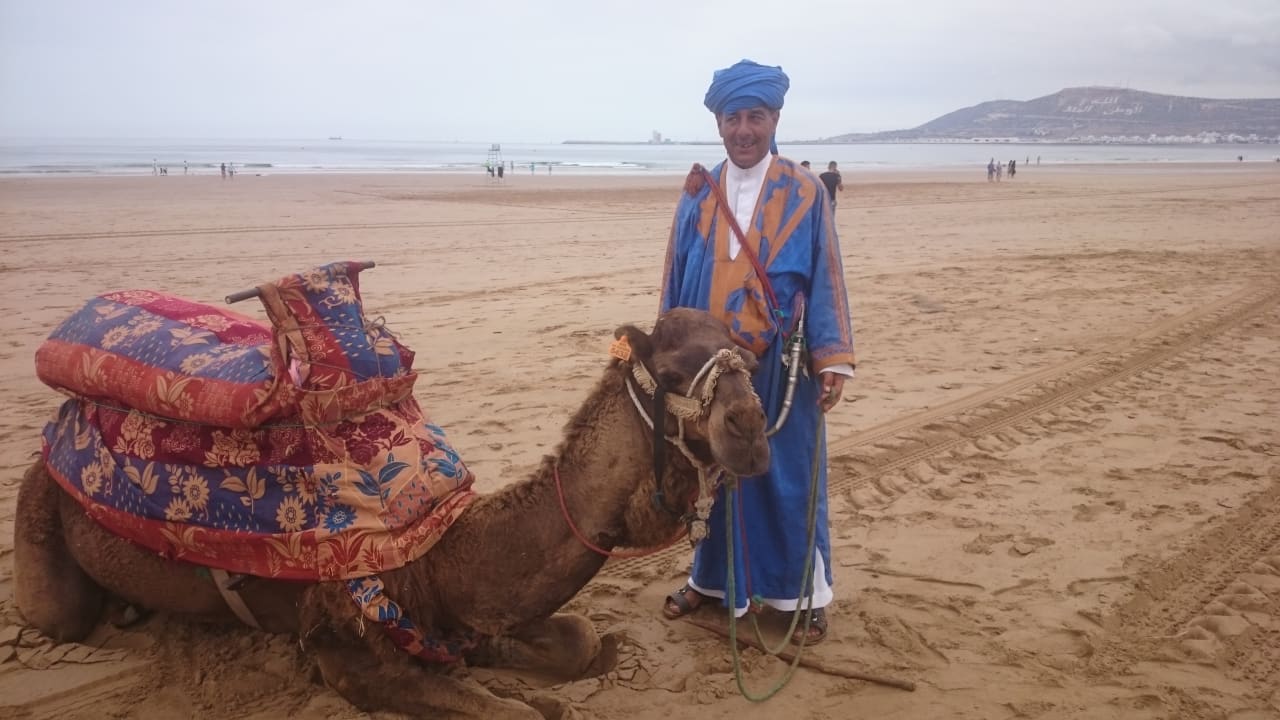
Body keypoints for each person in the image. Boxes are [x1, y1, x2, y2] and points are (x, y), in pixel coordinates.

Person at [658, 59, 855, 645]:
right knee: (711, 475)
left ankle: (802, 596)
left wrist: (832, 358)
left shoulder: (805, 190)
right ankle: (713, 584)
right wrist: (664, 354)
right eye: (733, 118)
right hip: (707, 371)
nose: (743, 130)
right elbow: (675, 277)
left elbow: (826, 275)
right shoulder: (699, 193)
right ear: (719, 123)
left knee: (787, 475)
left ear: (774, 119)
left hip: (781, 366)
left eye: (755, 117)